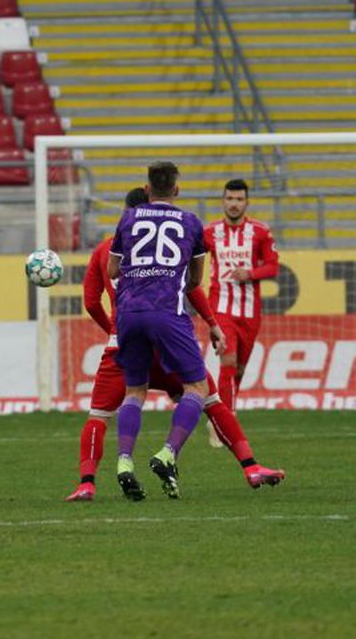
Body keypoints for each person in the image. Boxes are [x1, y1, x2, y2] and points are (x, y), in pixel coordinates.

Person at [107, 163, 285, 501]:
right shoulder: (190, 222)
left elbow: (113, 269)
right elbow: (195, 281)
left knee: (134, 391)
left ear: (147, 189)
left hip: (128, 313)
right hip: (166, 313)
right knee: (198, 387)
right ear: (176, 190)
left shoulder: (128, 218)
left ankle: (124, 462)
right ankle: (167, 453)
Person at [65, 187, 232, 502]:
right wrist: (212, 323)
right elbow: (192, 288)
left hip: (125, 336)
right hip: (167, 334)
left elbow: (90, 302)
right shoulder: (170, 242)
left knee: (101, 413)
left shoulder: (106, 249)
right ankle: (239, 464)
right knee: (205, 396)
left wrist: (113, 331)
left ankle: (89, 481)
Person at [203, 179, 278, 437]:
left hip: (249, 311)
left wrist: (251, 273)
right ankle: (224, 422)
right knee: (228, 361)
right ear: (223, 200)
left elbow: (273, 266)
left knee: (239, 368)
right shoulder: (209, 233)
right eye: (229, 199)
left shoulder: (260, 232)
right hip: (220, 309)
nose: (234, 204)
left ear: (247, 202)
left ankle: (221, 412)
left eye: (239, 200)